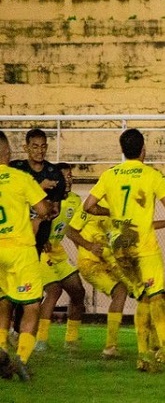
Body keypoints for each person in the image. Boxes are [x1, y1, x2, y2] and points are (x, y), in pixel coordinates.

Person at [82, 128, 165, 375]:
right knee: (157, 296)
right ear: (143, 149)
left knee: (143, 297)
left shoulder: (110, 175)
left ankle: (143, 355)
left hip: (120, 247)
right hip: (144, 247)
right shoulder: (151, 175)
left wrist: (113, 212)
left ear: (123, 150)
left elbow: (89, 206)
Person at [66, 202, 165, 358]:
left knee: (147, 293)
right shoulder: (91, 205)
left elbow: (140, 226)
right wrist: (89, 246)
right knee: (121, 292)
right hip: (91, 263)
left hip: (115, 262)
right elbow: (70, 231)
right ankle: (110, 347)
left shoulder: (120, 204)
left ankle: (154, 345)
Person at [0, 130, 52, 382]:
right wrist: (44, 210)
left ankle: (1, 350)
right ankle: (21, 359)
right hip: (20, 250)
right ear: (8, 153)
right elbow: (42, 208)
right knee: (32, 305)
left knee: (3, 302)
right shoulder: (20, 178)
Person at [8, 128, 67, 341]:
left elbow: (55, 210)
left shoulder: (54, 173)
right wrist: (39, 190)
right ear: (26, 148)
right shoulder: (17, 169)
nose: (39, 151)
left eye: (43, 147)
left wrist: (42, 214)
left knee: (28, 290)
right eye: (34, 146)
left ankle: (17, 331)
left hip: (36, 240)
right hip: (13, 237)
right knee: (9, 288)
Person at [34, 162, 86, 352]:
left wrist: (84, 251)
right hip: (41, 251)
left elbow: (74, 230)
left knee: (78, 292)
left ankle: (71, 340)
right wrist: (39, 239)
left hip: (57, 251)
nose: (69, 180)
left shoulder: (75, 201)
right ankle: (41, 340)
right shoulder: (44, 199)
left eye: (70, 176)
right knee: (54, 290)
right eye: (65, 177)